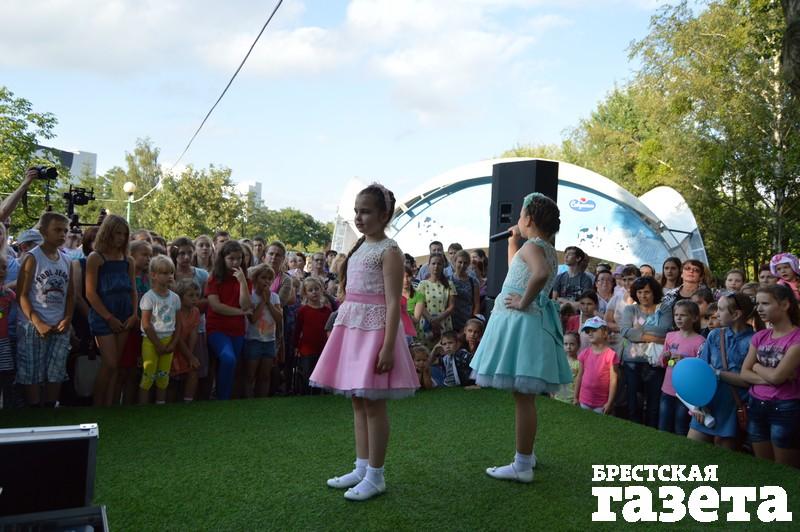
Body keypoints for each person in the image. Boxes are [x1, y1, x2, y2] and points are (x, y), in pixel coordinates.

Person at [310, 183, 418, 502]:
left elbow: (393, 302)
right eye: (356, 211)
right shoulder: (359, 248)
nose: (359, 217)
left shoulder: (390, 251)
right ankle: (361, 467)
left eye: (366, 211)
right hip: (352, 330)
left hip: (375, 333)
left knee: (373, 404)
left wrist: (388, 346)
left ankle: (376, 475)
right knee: (358, 401)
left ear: (384, 215)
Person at [469, 192, 572, 484]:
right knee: (523, 396)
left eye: (520, 215)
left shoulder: (534, 248)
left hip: (522, 324)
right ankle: (526, 455)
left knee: (523, 398)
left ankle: (522, 463)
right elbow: (520, 268)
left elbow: (538, 274)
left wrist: (524, 301)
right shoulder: (542, 248)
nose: (517, 220)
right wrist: (513, 243)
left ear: (529, 219)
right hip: (527, 325)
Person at [16, 212, 74, 407]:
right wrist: (37, 322)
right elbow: (21, 295)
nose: (62, 234)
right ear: (43, 231)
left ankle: (51, 405)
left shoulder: (67, 260)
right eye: (57, 230)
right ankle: (34, 408)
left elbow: (70, 294)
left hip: (59, 325)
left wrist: (67, 318)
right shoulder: (32, 258)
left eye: (65, 230)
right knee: (31, 370)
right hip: (33, 326)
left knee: (56, 369)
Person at [740, 285, 800, 467]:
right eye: (757, 303)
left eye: (765, 303)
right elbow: (744, 373)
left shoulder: (796, 338)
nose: (759, 308)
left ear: (785, 305)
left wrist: (756, 366)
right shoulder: (760, 336)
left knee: (785, 469)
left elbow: (776, 378)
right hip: (756, 404)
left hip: (785, 408)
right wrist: (773, 376)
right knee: (763, 467)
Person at [688, 292, 757, 449]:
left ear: (736, 314)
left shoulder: (753, 341)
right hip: (707, 404)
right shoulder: (714, 335)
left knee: (724, 456)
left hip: (733, 406)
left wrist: (717, 373)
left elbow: (750, 381)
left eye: (720, 309)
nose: (716, 314)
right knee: (691, 450)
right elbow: (701, 370)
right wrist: (698, 404)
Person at [85, 215, 137, 407]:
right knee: (110, 363)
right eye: (117, 233)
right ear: (107, 233)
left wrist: (134, 315)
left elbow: (133, 290)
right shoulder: (95, 258)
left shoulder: (128, 260)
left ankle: (110, 405)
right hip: (103, 316)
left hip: (125, 315)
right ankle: (97, 406)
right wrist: (108, 318)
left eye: (124, 234)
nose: (121, 238)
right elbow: (90, 293)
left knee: (116, 365)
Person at [620, 276, 671, 427]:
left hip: (656, 362)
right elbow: (625, 331)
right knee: (633, 401)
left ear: (654, 292)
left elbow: (665, 330)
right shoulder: (630, 309)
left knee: (654, 402)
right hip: (632, 361)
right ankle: (634, 430)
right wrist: (656, 338)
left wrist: (638, 332)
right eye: (640, 292)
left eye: (647, 292)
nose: (643, 295)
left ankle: (651, 431)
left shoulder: (664, 308)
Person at [206, 240, 253, 400]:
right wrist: (241, 312)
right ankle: (221, 398)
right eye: (231, 258)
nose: (235, 262)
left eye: (239, 258)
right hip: (216, 328)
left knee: (231, 364)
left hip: (237, 330)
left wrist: (242, 282)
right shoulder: (214, 279)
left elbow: (245, 304)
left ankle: (224, 398)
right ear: (223, 258)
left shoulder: (245, 280)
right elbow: (216, 306)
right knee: (228, 358)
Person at [138, 255, 181, 405]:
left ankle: (160, 404)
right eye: (164, 273)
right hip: (150, 341)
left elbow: (179, 324)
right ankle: (143, 408)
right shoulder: (148, 297)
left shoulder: (175, 298)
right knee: (148, 373)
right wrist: (157, 344)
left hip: (168, 340)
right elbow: (146, 324)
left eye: (171, 272)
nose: (169, 276)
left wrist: (173, 343)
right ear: (153, 275)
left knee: (163, 375)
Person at [659, 300, 705, 435]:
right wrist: (665, 357)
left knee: (681, 427)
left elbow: (701, 370)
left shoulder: (700, 341)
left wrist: (685, 361)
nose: (678, 318)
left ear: (694, 318)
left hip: (686, 392)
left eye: (683, 315)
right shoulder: (670, 336)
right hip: (667, 389)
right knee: (663, 425)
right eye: (676, 315)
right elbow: (663, 363)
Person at [173, 237, 210, 396]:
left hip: (197, 327)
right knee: (174, 370)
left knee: (195, 365)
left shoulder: (202, 274)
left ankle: (191, 400)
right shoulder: (170, 274)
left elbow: (208, 300)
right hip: (173, 329)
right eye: (182, 253)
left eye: (189, 252)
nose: (186, 257)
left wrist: (189, 305)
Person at [244, 263, 282, 398]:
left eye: (269, 279)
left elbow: (279, 317)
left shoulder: (275, 297)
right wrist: (262, 302)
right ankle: (248, 400)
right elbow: (253, 319)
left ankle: (262, 400)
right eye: (263, 278)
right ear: (255, 279)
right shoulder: (250, 296)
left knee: (265, 375)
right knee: (250, 374)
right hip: (253, 340)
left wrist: (268, 302)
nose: (266, 281)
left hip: (269, 341)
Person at [294, 277, 332, 395]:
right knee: (307, 375)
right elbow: (297, 330)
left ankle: (321, 395)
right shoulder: (303, 311)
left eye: (316, 289)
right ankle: (307, 396)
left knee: (322, 375)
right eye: (310, 290)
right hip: (307, 349)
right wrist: (296, 346)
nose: (314, 292)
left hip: (324, 348)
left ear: (321, 290)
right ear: (305, 293)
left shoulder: (327, 311)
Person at [573, 317, 619, 414]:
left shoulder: (611, 355)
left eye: (594, 330)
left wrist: (609, 402)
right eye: (587, 331)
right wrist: (575, 397)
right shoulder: (584, 354)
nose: (590, 333)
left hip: (601, 404)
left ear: (605, 333)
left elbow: (613, 381)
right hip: (583, 400)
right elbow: (579, 376)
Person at [170, 279, 201, 403]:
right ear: (180, 296)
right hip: (173, 347)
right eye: (190, 295)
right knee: (172, 379)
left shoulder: (196, 311)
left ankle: (188, 401)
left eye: (197, 295)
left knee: (194, 368)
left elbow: (193, 333)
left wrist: (190, 355)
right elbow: (176, 337)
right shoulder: (175, 311)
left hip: (187, 349)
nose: (195, 299)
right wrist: (189, 356)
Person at [417, 253, 456, 345]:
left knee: (444, 348)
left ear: (443, 266)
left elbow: (451, 306)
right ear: (429, 266)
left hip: (444, 322)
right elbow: (419, 305)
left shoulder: (449, 284)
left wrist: (438, 319)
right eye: (433, 263)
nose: (436, 266)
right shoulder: (422, 284)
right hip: (427, 323)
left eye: (439, 264)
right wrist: (431, 320)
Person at [449, 249, 480, 332]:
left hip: (467, 321)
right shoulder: (448, 280)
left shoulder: (473, 281)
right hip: (450, 322)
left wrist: (472, 323)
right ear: (455, 262)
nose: (462, 265)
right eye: (460, 262)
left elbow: (477, 304)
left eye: (465, 263)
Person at [0, 255, 16, 408]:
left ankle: (9, 408)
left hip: (3, 340)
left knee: (6, 374)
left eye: (4, 268)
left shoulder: (9, 295)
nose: (2, 271)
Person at [554, 331, 580, 404]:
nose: (568, 347)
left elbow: (578, 382)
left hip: (571, 399)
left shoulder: (579, 363)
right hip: (557, 396)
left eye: (572, 344)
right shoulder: (559, 360)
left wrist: (575, 397)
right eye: (565, 344)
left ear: (578, 345)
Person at [402, 265, 425, 341]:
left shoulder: (419, 296)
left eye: (408, 276)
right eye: (402, 277)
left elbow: (416, 320)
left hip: (414, 335)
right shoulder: (394, 296)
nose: (405, 280)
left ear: (412, 277)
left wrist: (403, 312)